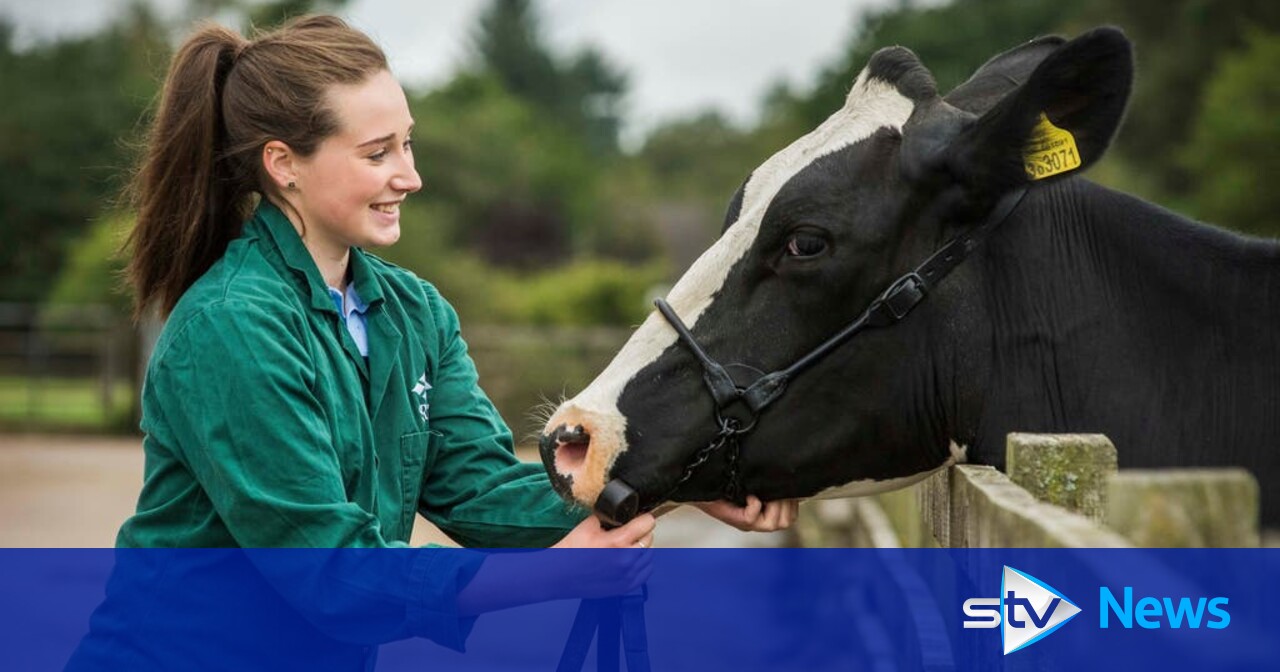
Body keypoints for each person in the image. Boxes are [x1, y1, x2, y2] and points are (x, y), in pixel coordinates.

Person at [66, 14, 796, 670]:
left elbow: (481, 489)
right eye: (377, 152)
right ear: (283, 163)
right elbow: (331, 575)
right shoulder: (231, 327)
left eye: (407, 144)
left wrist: (681, 482)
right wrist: (554, 573)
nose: (410, 176)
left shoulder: (415, 313)